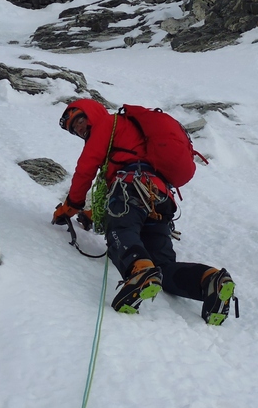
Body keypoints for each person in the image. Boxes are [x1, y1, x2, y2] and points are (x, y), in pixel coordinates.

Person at [52, 98, 236, 325]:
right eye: (74, 129)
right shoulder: (126, 130)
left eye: (80, 120)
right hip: (160, 199)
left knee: (120, 229)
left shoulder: (107, 125)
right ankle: (210, 280)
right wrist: (93, 215)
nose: (79, 129)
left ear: (93, 112)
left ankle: (139, 273)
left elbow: (86, 168)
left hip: (131, 187)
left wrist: (70, 206)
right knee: (162, 266)